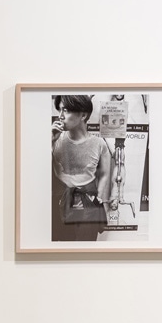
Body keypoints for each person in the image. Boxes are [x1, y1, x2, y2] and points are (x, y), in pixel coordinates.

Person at [51, 94, 112, 242]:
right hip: (60, 205)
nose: (60, 116)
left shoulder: (99, 144)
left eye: (66, 110)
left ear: (83, 115)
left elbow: (105, 173)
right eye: (59, 110)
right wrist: (49, 141)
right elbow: (38, 172)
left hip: (87, 206)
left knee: (86, 248)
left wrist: (99, 198)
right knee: (59, 249)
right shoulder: (54, 139)